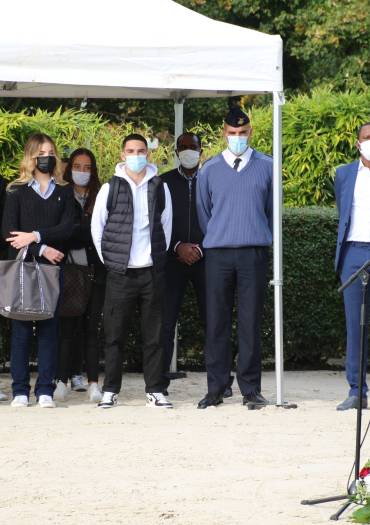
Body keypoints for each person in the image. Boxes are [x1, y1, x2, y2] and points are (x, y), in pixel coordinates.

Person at [196, 106, 272, 409]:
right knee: (216, 322)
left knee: (251, 322)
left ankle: (251, 389)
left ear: (250, 132)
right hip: (218, 255)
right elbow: (205, 214)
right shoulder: (210, 169)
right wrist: (221, 237)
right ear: (224, 134)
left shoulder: (267, 166)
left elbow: (269, 211)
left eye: (242, 133)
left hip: (253, 253)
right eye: (232, 133)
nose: (237, 138)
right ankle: (216, 388)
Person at [91, 133, 173, 408]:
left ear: (148, 154)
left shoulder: (160, 187)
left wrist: (154, 258)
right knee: (114, 335)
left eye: (140, 150)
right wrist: (112, 261)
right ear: (122, 154)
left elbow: (166, 226)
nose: (136, 155)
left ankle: (156, 390)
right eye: (130, 150)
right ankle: (110, 390)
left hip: (151, 273)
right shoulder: (109, 188)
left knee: (155, 335)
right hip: (120, 273)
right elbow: (97, 229)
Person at [2, 132, 74, 408]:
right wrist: (41, 246)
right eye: (41, 153)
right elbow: (9, 234)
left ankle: (45, 388)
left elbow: (67, 228)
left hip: (52, 271)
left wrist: (34, 235)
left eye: (50, 152)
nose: (47, 157)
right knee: (19, 329)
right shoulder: (16, 190)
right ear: (31, 156)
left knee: (49, 329)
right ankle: (20, 389)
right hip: (23, 267)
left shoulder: (64, 190)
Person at [54, 148, 106, 403]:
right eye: (77, 166)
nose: (82, 172)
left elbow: (102, 233)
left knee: (91, 329)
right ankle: (61, 380)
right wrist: (81, 231)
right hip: (69, 270)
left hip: (96, 271)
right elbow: (60, 232)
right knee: (66, 328)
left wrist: (76, 231)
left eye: (87, 167)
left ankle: (94, 383)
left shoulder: (101, 194)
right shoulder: (61, 194)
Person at [335, 122, 370, 411]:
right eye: (367, 137)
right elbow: (343, 212)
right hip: (354, 254)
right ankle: (357, 390)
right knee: (355, 326)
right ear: (358, 142)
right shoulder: (344, 174)